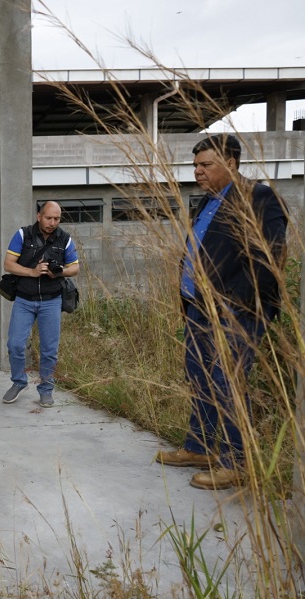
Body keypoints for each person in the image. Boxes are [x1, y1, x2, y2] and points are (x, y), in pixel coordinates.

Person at [155, 134, 287, 490]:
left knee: (228, 384)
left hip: (233, 314)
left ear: (231, 163)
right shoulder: (208, 200)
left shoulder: (259, 197)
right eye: (195, 165)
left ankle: (235, 462)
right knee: (200, 380)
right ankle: (199, 448)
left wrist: (233, 305)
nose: (197, 171)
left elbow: (269, 258)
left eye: (205, 165)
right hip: (198, 310)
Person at [1, 201, 79, 408]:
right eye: (48, 218)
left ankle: (46, 389)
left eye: (57, 219)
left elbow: (75, 267)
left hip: (51, 301)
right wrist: (32, 272)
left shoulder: (64, 238)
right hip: (24, 300)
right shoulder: (23, 235)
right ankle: (19, 382)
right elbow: (8, 264)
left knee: (49, 350)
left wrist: (59, 270)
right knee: (15, 345)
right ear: (39, 216)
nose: (52, 223)